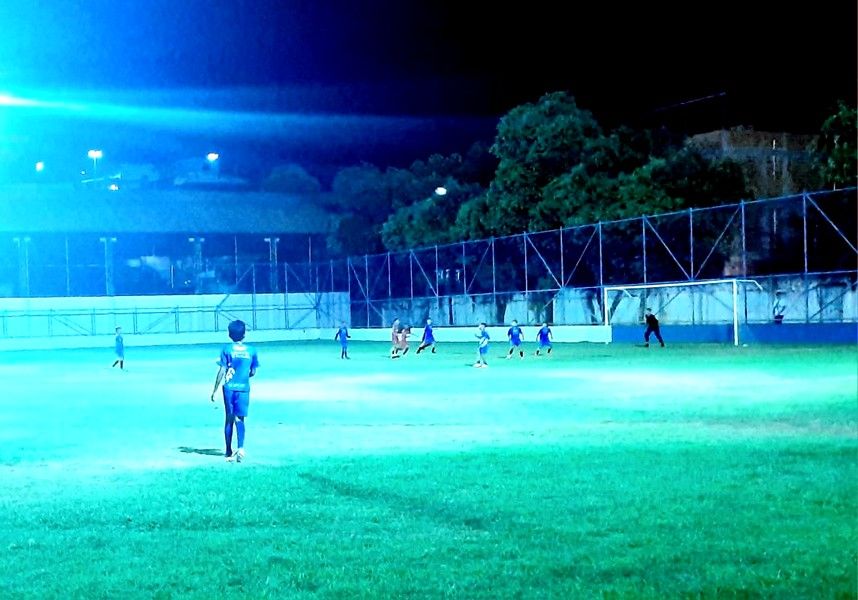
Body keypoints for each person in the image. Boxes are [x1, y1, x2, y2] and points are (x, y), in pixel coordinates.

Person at [210, 320, 259, 462]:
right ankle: (241, 448)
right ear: (244, 334)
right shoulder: (251, 350)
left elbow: (222, 370)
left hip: (229, 388)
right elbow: (253, 372)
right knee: (240, 418)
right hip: (243, 388)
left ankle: (228, 451)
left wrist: (214, 390)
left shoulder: (226, 349)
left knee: (229, 419)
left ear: (229, 334)